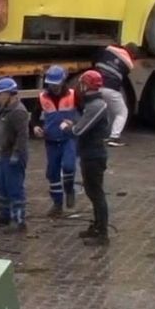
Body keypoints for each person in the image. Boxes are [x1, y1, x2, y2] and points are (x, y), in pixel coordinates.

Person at [64, 70, 112, 245]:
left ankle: (102, 233)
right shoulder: (93, 104)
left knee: (96, 193)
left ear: (86, 85)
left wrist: (69, 127)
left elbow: (79, 131)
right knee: (93, 192)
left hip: (94, 155)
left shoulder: (95, 105)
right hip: (89, 153)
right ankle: (98, 226)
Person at [33, 65, 79, 217]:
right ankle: (57, 204)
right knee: (52, 173)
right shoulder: (42, 97)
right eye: (51, 83)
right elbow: (34, 117)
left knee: (68, 165)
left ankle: (70, 189)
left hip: (68, 139)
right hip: (51, 140)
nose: (53, 86)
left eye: (56, 83)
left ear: (62, 81)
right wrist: (35, 127)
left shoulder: (73, 95)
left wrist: (75, 124)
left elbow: (84, 114)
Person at [0, 77, 29, 230]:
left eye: (0, 94)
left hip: (14, 156)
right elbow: (1, 132)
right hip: (4, 154)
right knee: (1, 186)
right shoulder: (4, 109)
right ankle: (4, 216)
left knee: (14, 188)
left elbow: (22, 136)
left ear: (9, 94)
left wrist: (17, 154)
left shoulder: (18, 112)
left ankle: (19, 220)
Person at [94, 43, 135, 146]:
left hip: (96, 86)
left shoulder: (109, 49)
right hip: (111, 89)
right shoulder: (129, 63)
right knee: (122, 112)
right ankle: (114, 137)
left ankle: (102, 134)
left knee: (106, 110)